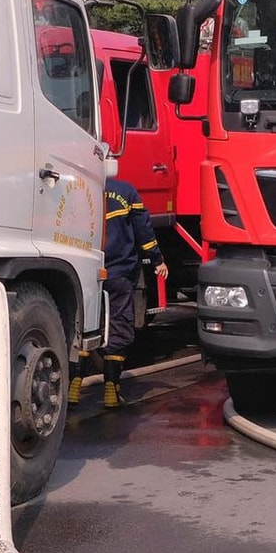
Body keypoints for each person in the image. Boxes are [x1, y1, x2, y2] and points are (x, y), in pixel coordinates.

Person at [70, 175, 167, 408]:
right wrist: (158, 261)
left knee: (84, 327)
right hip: (120, 273)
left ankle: (73, 388)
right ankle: (112, 390)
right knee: (118, 326)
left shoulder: (78, 187)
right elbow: (143, 231)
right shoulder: (126, 191)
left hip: (86, 272)